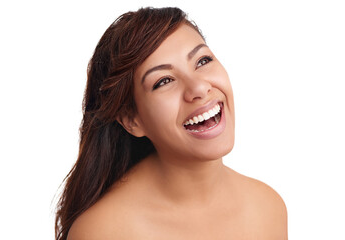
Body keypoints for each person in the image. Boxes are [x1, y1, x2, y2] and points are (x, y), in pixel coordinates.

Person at [55, 7, 287, 240]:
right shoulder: (103, 231)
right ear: (131, 120)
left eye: (202, 60)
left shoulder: (267, 208)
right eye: (164, 81)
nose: (198, 87)